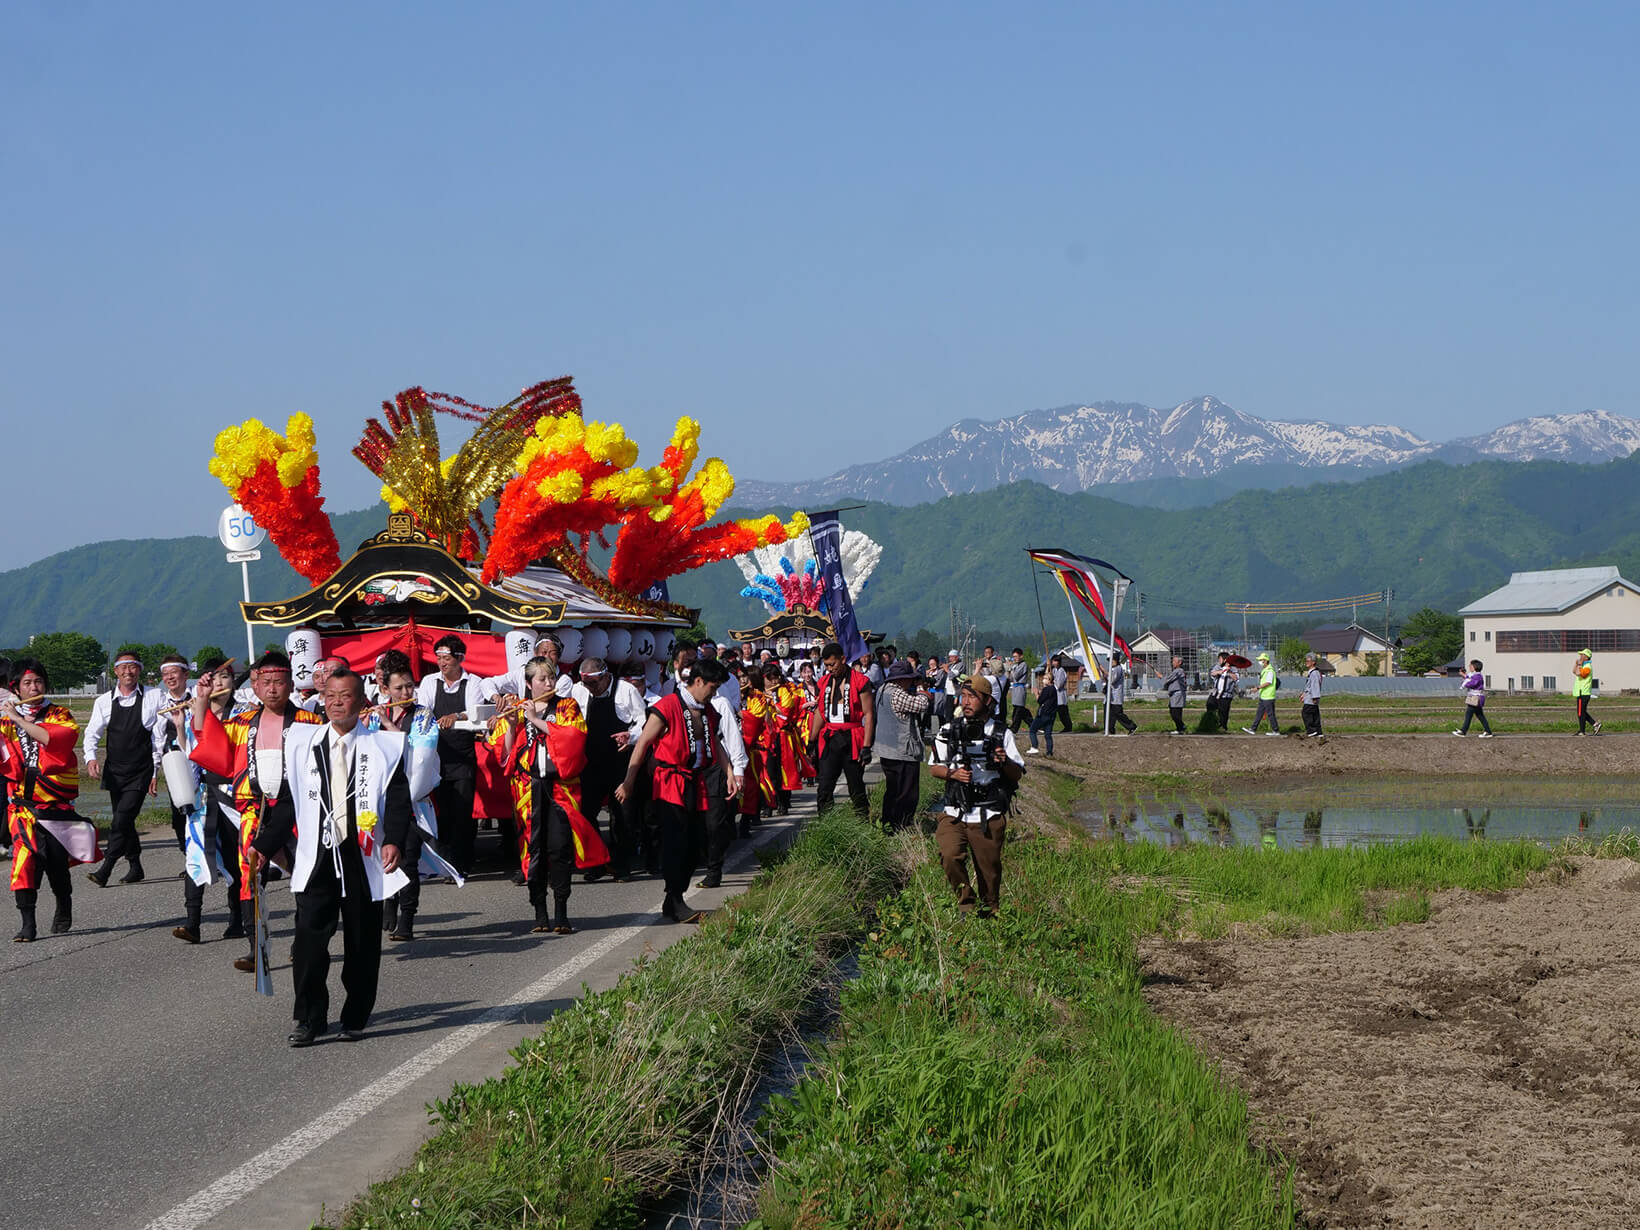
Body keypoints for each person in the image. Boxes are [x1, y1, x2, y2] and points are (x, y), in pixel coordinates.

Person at [247, 670, 412, 1046]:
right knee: (308, 942)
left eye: (346, 695)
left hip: (362, 854)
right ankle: (309, 1017)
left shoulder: (384, 746)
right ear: (323, 699)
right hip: (317, 855)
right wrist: (265, 843)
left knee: (362, 941)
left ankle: (356, 1015)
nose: (338, 702)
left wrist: (395, 841)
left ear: (361, 700)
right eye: (331, 696)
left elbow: (400, 800)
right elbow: (288, 801)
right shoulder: (304, 742)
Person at [188, 649, 326, 971]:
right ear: (256, 685)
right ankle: (255, 946)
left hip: (297, 812)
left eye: (280, 682)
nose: (274, 689)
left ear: (291, 684)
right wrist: (203, 701)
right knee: (250, 877)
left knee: (304, 875)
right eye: (267, 682)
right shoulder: (242, 723)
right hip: (255, 810)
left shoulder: (311, 723)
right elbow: (209, 743)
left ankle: (302, 941)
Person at [618, 658, 737, 922]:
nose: (714, 693)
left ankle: (673, 898)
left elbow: (715, 743)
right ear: (698, 682)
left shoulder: (708, 711)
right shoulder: (669, 705)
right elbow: (643, 743)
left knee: (697, 842)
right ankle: (675, 898)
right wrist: (628, 781)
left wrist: (729, 772)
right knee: (676, 842)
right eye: (712, 687)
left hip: (697, 779)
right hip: (670, 782)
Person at [492, 656, 603, 933]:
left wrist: (534, 719)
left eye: (551, 678)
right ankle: (539, 912)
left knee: (559, 847)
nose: (549, 683)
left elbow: (573, 737)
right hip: (528, 789)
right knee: (534, 850)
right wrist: (510, 723)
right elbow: (505, 754)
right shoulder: (517, 708)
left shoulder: (566, 705)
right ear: (529, 684)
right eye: (542, 679)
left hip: (561, 787)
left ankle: (562, 911)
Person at [3, 660, 101, 941]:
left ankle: (64, 905)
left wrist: (19, 721)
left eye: (38, 682)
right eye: (27, 683)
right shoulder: (5, 721)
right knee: (24, 863)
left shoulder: (61, 714)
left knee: (57, 864)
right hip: (23, 808)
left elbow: (53, 739)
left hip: (55, 807)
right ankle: (28, 923)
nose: (34, 687)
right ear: (16, 688)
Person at [928, 675, 1024, 917]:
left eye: (972, 696)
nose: (966, 701)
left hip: (987, 813)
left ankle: (990, 915)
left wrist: (1003, 762)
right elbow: (934, 767)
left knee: (989, 872)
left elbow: (1017, 774)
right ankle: (966, 905)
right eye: (964, 696)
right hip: (955, 811)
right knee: (949, 855)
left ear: (988, 701)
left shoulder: (1001, 734)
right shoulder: (949, 729)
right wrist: (953, 774)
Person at [171, 656, 250, 945]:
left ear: (233, 682)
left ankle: (237, 919)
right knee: (195, 854)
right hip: (205, 794)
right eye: (213, 679)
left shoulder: (245, 714)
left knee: (234, 857)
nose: (219, 683)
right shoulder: (196, 715)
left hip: (235, 793)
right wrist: (180, 727)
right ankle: (193, 922)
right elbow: (191, 753)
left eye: (225, 678)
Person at [367, 654, 444, 941]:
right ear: (385, 689)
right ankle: (389, 902)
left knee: (408, 858)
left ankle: (407, 917)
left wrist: (388, 725)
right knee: (382, 854)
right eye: (399, 688)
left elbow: (421, 754)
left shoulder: (423, 715)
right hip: (381, 798)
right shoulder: (376, 714)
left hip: (412, 797)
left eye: (410, 687)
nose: (405, 693)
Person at [84, 651, 167, 886]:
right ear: (116, 671)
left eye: (133, 667)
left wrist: (155, 771)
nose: (128, 672)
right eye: (123, 667)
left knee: (121, 819)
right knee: (125, 820)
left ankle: (106, 868)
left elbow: (158, 737)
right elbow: (92, 733)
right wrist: (90, 758)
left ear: (139, 670)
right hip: (115, 771)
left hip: (141, 770)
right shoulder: (103, 702)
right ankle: (135, 866)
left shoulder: (154, 696)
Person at [416, 634, 488, 875]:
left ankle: (463, 862)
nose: (442, 663)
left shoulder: (473, 682)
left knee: (463, 811)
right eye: (439, 658)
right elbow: (423, 709)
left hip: (463, 755)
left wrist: (456, 716)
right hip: (436, 756)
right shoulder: (429, 681)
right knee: (442, 812)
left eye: (446, 658)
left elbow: (476, 713)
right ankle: (445, 862)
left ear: (459, 658)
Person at [570, 655, 645, 880]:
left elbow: (643, 721)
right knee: (586, 814)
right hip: (590, 763)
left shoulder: (626, 690)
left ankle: (622, 865)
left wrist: (630, 736)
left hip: (619, 762)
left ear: (605, 677)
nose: (589, 688)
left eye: (593, 683)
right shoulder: (578, 691)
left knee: (622, 815)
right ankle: (596, 863)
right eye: (586, 684)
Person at [812, 641, 875, 819]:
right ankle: (825, 825)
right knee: (824, 786)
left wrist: (867, 746)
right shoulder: (823, 682)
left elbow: (869, 714)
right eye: (826, 665)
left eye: (833, 664)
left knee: (855, 786)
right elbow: (819, 712)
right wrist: (811, 740)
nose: (830, 668)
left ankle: (862, 824)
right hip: (830, 737)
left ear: (843, 659)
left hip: (852, 737)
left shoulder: (860, 681)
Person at [874, 658, 931, 830]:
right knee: (907, 792)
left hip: (886, 749)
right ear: (902, 679)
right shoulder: (898, 694)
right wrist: (921, 689)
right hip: (902, 750)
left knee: (892, 790)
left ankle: (887, 823)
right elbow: (921, 705)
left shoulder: (882, 690)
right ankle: (901, 825)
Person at [152, 653, 195, 852]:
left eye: (173, 673)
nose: (169, 678)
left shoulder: (199, 697)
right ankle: (188, 857)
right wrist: (154, 772)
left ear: (185, 674)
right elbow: (158, 740)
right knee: (179, 810)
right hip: (175, 763)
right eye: (165, 674)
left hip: (201, 761)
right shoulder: (162, 705)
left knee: (205, 809)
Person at [762, 661, 811, 814]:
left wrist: (771, 701)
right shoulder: (757, 693)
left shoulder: (784, 690)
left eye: (776, 677)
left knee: (784, 770)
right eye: (770, 678)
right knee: (768, 770)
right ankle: (769, 804)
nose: (774, 681)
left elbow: (787, 712)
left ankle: (783, 802)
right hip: (765, 736)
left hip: (783, 735)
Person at [1454, 660, 1494, 737]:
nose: (1469, 667)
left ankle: (1463, 731)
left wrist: (1466, 682)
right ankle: (1488, 731)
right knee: (1480, 716)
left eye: (1470, 665)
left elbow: (1472, 683)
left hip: (1476, 698)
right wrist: (1463, 675)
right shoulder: (1475, 675)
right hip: (1475, 698)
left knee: (1469, 714)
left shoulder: (1478, 676)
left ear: (1474, 667)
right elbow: (1469, 678)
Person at [1243, 653, 1280, 736]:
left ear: (1266, 661)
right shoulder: (1265, 670)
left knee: (1270, 714)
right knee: (1259, 713)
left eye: (1261, 660)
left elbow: (1268, 682)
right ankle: (1253, 729)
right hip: (1263, 696)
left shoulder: (1270, 671)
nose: (1260, 662)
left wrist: (1257, 688)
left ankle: (1276, 730)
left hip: (1268, 696)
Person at [1027, 669, 1058, 756]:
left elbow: (1040, 701)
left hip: (1043, 714)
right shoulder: (1054, 689)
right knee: (1048, 734)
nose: (1043, 680)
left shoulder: (1046, 689)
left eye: (1045, 678)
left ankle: (1034, 747)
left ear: (1049, 680)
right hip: (1052, 714)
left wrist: (1036, 693)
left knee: (1032, 730)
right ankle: (1049, 752)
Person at [1105, 652, 1137, 734]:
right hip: (1111, 696)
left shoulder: (1118, 669)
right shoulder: (1114, 669)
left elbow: (1112, 680)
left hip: (1116, 696)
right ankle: (1110, 729)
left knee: (1118, 713)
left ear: (1116, 661)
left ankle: (1131, 726)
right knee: (1110, 715)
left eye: (1112, 660)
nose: (1111, 662)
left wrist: (1105, 672)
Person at [1208, 652, 1239, 733]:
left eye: (1220, 659)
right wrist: (1219, 672)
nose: (1219, 661)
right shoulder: (1218, 667)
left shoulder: (1234, 669)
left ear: (1225, 660)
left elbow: (1236, 678)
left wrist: (1229, 672)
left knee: (1223, 712)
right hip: (1216, 692)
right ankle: (1211, 724)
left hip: (1226, 694)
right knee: (1210, 705)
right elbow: (1212, 673)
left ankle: (1223, 727)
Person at [1573, 648, 1600, 735]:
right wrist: (1576, 664)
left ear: (1586, 657)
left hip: (1584, 693)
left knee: (1581, 712)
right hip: (1580, 692)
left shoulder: (1588, 667)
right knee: (1581, 712)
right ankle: (1595, 724)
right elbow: (1574, 672)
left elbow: (1582, 674)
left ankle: (1582, 731)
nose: (1580, 656)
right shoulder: (1583, 665)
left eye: (1582, 655)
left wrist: (1580, 665)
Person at [1005, 650, 1032, 734]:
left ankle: (1014, 727)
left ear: (1021, 656)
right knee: (1021, 710)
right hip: (1015, 688)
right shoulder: (1016, 665)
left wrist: (1011, 668)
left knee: (1018, 709)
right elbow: (1011, 678)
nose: (1015, 658)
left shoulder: (1023, 665)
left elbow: (1016, 675)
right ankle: (1033, 724)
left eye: (1016, 656)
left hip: (1020, 687)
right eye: (1014, 657)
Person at [1162, 655, 1189, 734]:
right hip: (1175, 695)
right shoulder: (1178, 671)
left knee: (1175, 713)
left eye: (1174, 661)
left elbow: (1168, 679)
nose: (1172, 663)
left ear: (1179, 662)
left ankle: (1181, 726)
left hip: (1177, 695)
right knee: (1174, 712)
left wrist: (1161, 677)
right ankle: (1180, 729)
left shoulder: (1178, 671)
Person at [1300, 653, 1324, 738]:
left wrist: (1315, 697)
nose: (1306, 662)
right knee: (1315, 715)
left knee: (1305, 713)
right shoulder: (1313, 673)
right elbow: (1309, 686)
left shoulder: (1314, 673)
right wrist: (1303, 694)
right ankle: (1318, 731)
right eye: (1306, 660)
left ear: (1313, 662)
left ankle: (1311, 730)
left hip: (1311, 698)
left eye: (1308, 661)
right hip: (1309, 697)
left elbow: (1315, 686)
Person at [1053, 655, 1074, 733]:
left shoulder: (1061, 671)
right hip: (1055, 695)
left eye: (1056, 661)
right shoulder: (1054, 670)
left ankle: (1068, 727)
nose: (1054, 663)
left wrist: (1053, 682)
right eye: (1053, 661)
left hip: (1060, 695)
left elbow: (1059, 684)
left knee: (1063, 713)